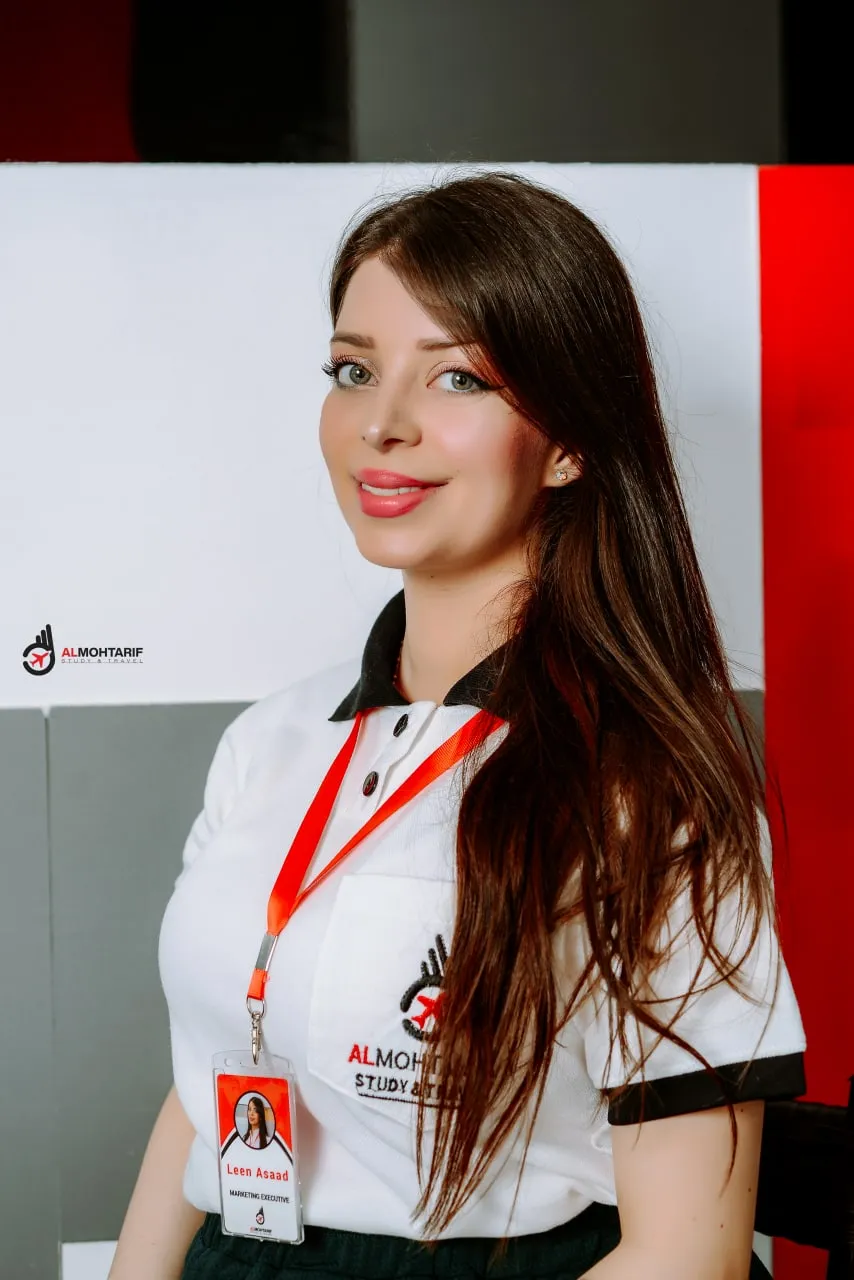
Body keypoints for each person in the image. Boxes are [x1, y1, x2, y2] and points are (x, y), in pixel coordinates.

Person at [109, 168, 806, 1280]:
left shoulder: (648, 784)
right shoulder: (269, 741)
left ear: (569, 441)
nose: (381, 424)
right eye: (353, 370)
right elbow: (204, 1090)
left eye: (456, 377)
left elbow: (688, 1253)